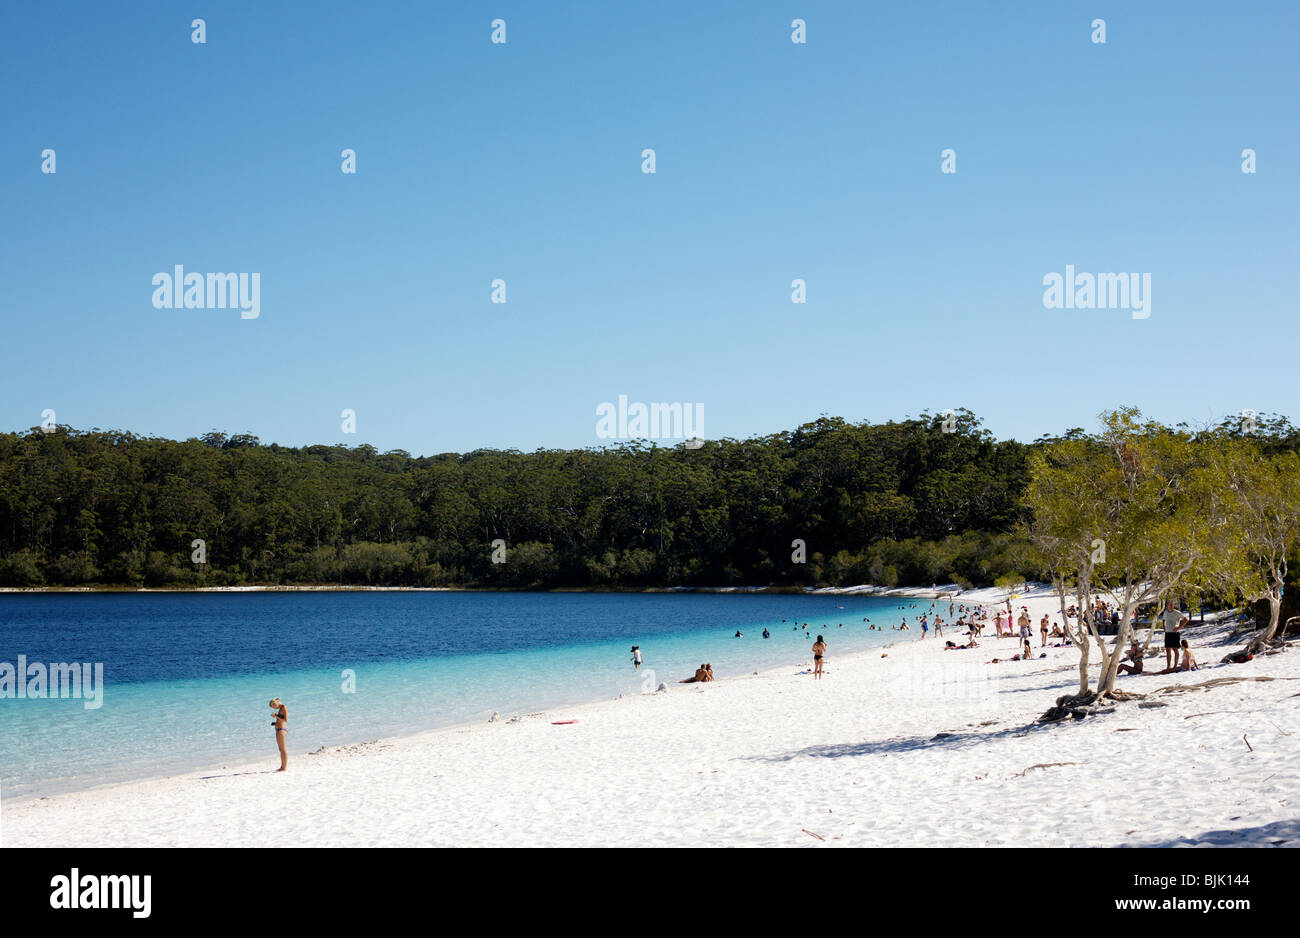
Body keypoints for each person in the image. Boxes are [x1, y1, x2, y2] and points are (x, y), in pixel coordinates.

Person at [1160, 599, 1187, 671]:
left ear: (1173, 606)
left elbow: (1185, 619)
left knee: (1175, 649)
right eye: (1169, 605)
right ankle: (1168, 666)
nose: (1170, 606)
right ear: (1167, 606)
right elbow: (1163, 620)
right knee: (1168, 650)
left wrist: (1179, 627)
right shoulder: (1165, 612)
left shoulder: (1177, 612)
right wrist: (1164, 628)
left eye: (1172, 605)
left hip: (1175, 633)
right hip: (1168, 633)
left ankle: (1175, 665)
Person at [269, 698, 288, 772]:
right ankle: (282, 766)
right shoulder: (281, 708)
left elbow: (285, 720)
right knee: (281, 749)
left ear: (276, 703)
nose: (274, 708)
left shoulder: (284, 707)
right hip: (279, 729)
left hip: (281, 730)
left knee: (283, 750)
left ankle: (283, 767)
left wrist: (276, 716)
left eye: (273, 706)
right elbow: (281, 719)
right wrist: (275, 723)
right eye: (272, 707)